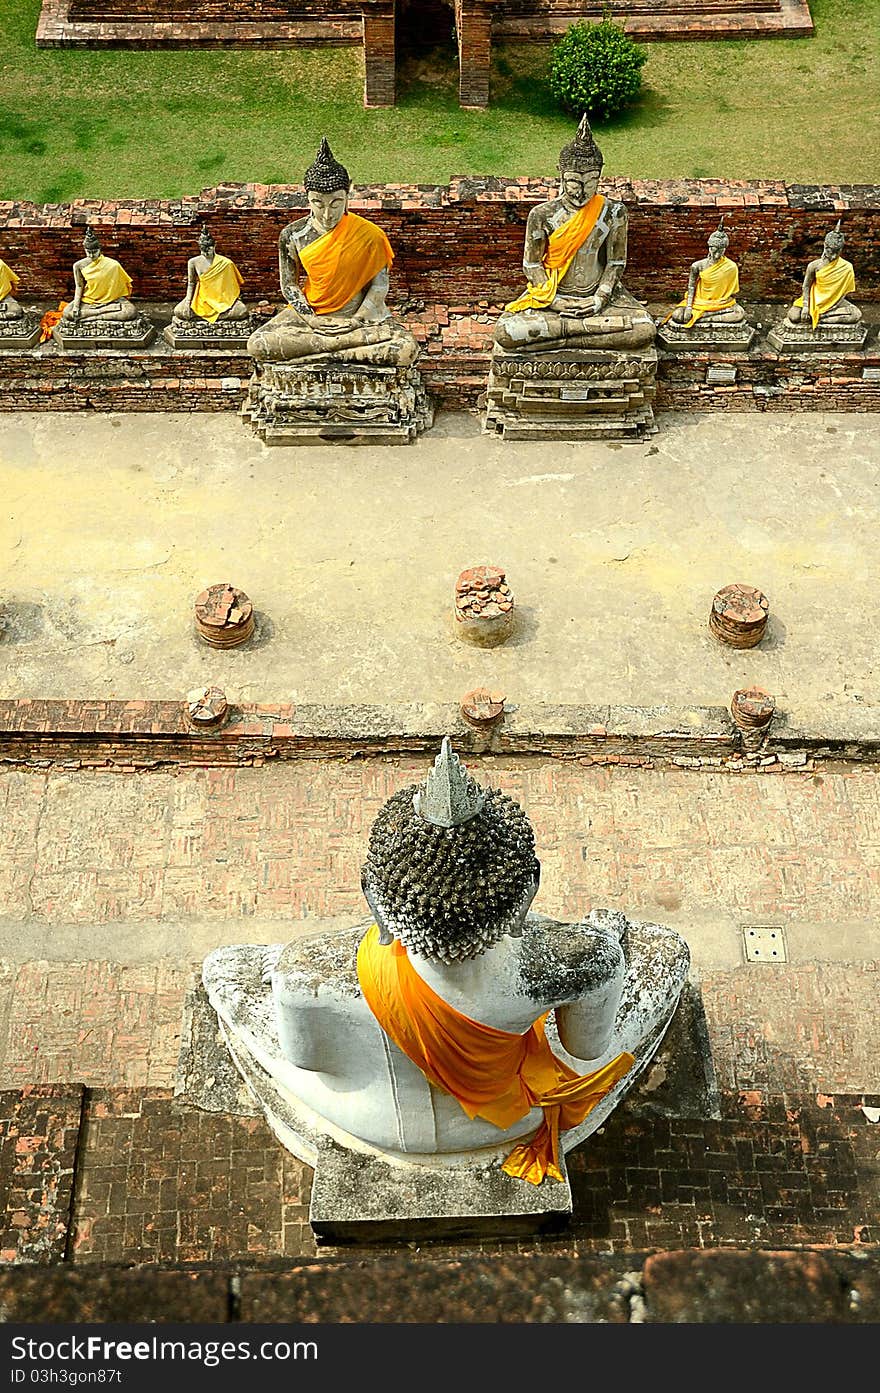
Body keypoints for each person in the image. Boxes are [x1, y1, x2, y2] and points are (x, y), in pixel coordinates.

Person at [204, 740, 690, 1184]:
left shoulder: (307, 970)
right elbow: (585, 1049)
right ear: (523, 898)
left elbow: (308, 1059)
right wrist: (601, 939)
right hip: (514, 1117)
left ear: (376, 901)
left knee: (225, 968)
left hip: (375, 1120)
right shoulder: (571, 962)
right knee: (665, 951)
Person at [493, 114, 654, 355]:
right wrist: (556, 301)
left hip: (599, 297)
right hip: (552, 296)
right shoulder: (543, 214)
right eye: (574, 182)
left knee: (644, 330)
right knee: (506, 332)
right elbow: (532, 264)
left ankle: (560, 339)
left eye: (591, 182)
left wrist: (600, 298)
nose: (582, 191)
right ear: (561, 176)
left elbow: (616, 262)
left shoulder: (613, 212)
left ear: (599, 177)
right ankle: (581, 335)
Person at [247, 138, 417, 365]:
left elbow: (379, 286)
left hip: (359, 316)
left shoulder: (370, 235)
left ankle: (318, 351)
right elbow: (289, 286)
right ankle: (342, 350)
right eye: (318, 203)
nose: (327, 214)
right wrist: (312, 320)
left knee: (406, 350)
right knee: (257, 344)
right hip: (313, 315)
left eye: (336, 203)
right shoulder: (293, 235)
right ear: (307, 197)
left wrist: (356, 321)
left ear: (349, 193)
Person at [664, 218, 746, 328]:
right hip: (699, 301)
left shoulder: (731, 267)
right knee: (677, 315)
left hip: (720, 304)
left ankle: (701, 317)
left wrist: (721, 303)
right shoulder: (698, 265)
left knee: (739, 314)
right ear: (709, 247)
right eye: (714, 249)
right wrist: (689, 307)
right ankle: (701, 316)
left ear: (725, 249)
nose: (717, 253)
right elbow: (691, 287)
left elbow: (731, 294)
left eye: (721, 250)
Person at [785, 221, 861, 329]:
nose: (833, 255)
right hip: (814, 298)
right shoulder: (814, 265)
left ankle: (820, 317)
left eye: (837, 251)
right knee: (793, 315)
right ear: (825, 246)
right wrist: (806, 306)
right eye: (830, 251)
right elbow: (806, 286)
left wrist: (832, 305)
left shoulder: (847, 267)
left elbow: (843, 292)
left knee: (856, 315)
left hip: (835, 302)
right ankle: (818, 315)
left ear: (841, 250)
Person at [60, 227, 138, 324]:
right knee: (67, 313)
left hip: (111, 300)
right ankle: (102, 314)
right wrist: (76, 306)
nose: (92, 256)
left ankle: (90, 318)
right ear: (84, 250)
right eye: (89, 252)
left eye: (94, 252)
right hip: (89, 300)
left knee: (131, 312)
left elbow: (120, 287)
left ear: (99, 249)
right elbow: (80, 286)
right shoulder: (78, 265)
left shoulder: (113, 265)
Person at [172, 226, 248, 324]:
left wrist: (234, 300)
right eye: (203, 249)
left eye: (209, 249)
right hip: (201, 299)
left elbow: (233, 286)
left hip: (223, 300)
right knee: (178, 311)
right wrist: (187, 302)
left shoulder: (226, 263)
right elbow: (191, 283)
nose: (206, 252)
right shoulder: (193, 262)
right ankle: (218, 316)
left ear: (214, 247)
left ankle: (209, 316)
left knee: (242, 311)